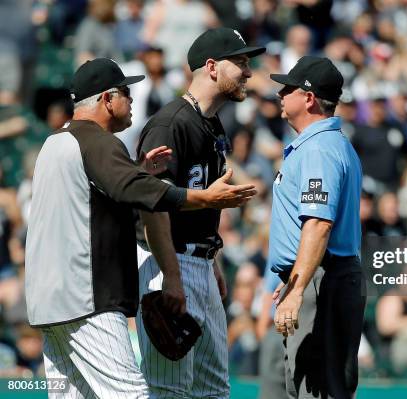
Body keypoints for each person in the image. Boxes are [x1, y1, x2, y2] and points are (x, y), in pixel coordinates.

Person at [25, 58, 256, 398]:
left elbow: (99, 196)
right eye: (126, 93)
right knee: (132, 394)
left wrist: (138, 171)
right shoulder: (99, 142)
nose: (132, 100)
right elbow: (138, 192)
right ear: (107, 99)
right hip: (87, 300)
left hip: (47, 304)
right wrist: (204, 198)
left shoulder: (55, 142)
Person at [135, 27, 265, 398]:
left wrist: (214, 260)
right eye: (240, 62)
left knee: (214, 390)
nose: (248, 72)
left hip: (200, 262)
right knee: (168, 390)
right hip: (168, 262)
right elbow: (153, 206)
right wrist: (172, 277)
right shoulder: (170, 124)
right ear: (212, 66)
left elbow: (205, 202)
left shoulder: (210, 122)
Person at [268, 56, 365, 399]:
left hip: (325, 279)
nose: (280, 93)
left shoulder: (319, 149)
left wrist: (298, 287)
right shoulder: (325, 145)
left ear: (308, 98)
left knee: (318, 390)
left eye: (288, 88)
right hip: (320, 276)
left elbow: (319, 224)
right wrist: (296, 279)